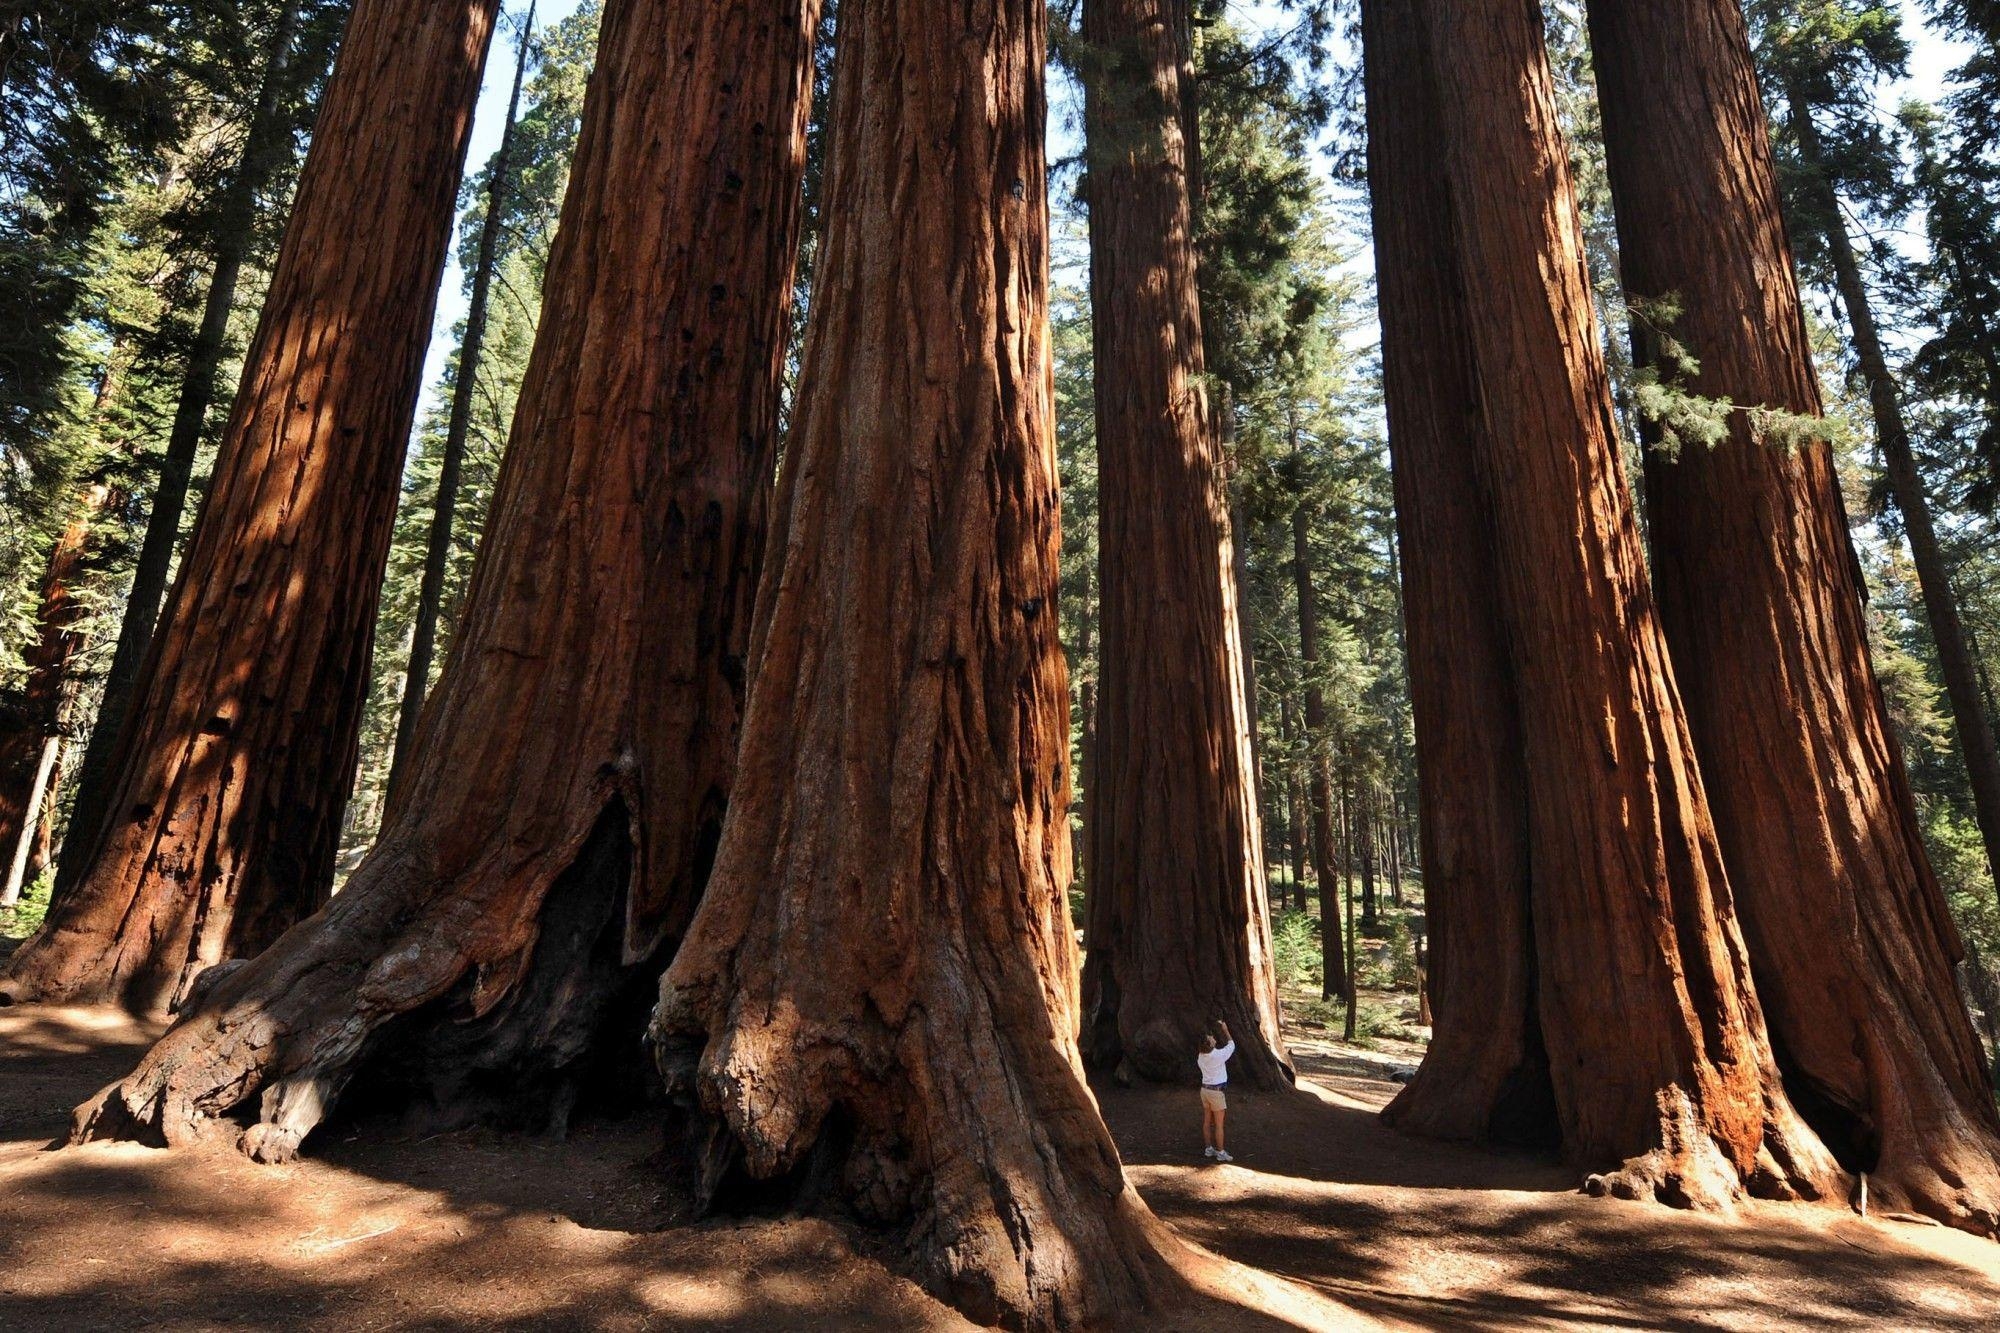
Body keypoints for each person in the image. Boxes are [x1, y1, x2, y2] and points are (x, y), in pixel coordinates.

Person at [1196, 1019, 1234, 1162]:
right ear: (1210, 1043)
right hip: (1216, 1093)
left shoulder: (1201, 1057)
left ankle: (1208, 1148)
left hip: (1205, 1091)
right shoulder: (1218, 1056)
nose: (1212, 1037)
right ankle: (1221, 1152)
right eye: (1210, 1037)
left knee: (1207, 1121)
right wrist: (1225, 1029)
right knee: (1219, 1124)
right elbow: (1232, 1044)